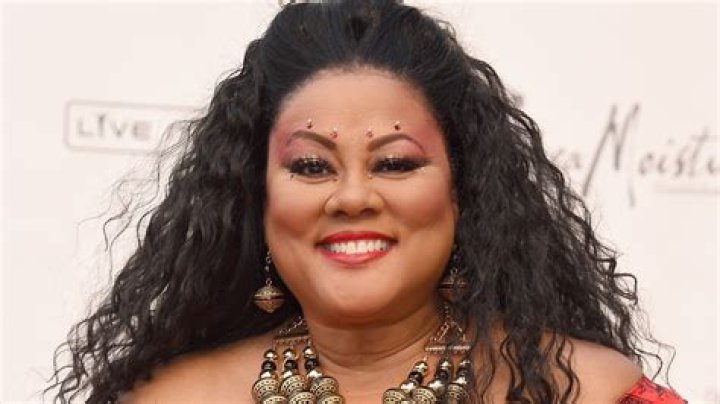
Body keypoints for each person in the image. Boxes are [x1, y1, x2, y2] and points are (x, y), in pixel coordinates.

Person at [47, 1, 686, 403]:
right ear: (255, 195)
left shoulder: (591, 392)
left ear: (463, 191)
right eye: (310, 166)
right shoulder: (170, 398)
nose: (352, 196)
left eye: (395, 163)